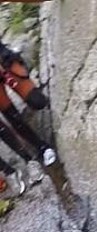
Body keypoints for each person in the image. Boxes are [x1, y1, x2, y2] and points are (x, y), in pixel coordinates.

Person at [0, 40, 57, 197]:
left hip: (2, 58)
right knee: (9, 116)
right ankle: (35, 153)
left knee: (38, 101)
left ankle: (21, 55)